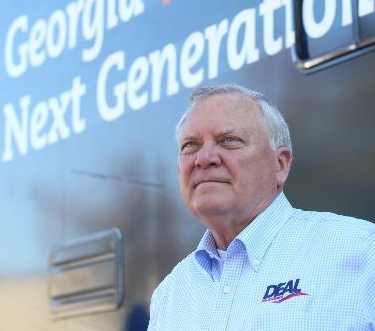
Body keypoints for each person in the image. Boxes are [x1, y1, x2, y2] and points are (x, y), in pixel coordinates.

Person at [147, 83, 375, 330]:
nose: (204, 158)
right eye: (190, 145)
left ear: (280, 164)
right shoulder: (170, 295)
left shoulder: (361, 253)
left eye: (229, 140)